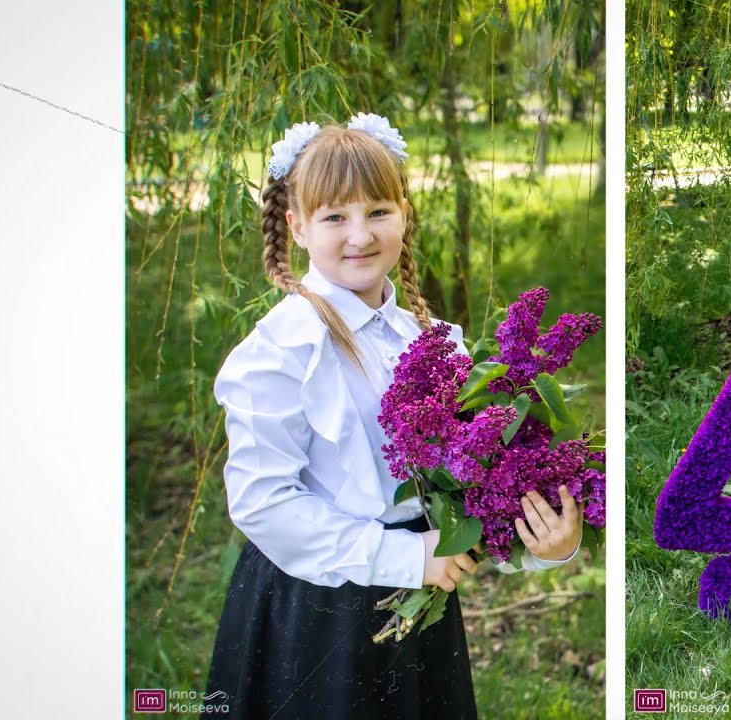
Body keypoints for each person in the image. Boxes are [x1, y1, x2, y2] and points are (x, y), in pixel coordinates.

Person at [203, 114, 583, 720]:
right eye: (334, 217)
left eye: (378, 210)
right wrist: (408, 559)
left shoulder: (439, 344)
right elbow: (263, 503)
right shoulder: (281, 352)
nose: (360, 235)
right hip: (316, 613)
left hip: (423, 596)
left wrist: (548, 547)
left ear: (404, 212)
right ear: (297, 227)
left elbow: (475, 487)